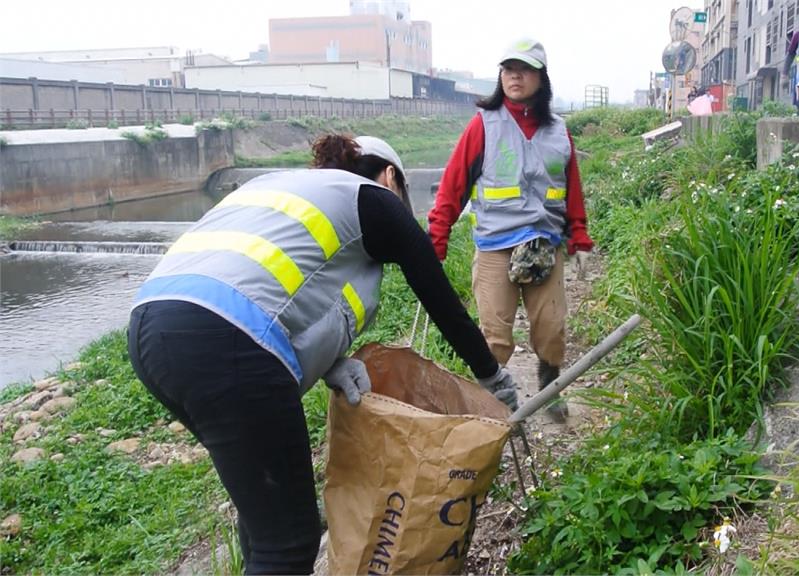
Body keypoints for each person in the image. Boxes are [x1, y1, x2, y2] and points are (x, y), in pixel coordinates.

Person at [127, 134, 519, 574]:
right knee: (290, 543)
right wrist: (492, 378)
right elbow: (440, 300)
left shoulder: (285, 190)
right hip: (225, 341)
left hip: (151, 330)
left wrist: (330, 360)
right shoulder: (374, 199)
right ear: (391, 177)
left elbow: (276, 293)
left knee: (265, 520)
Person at [427, 38, 594, 423]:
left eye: (524, 69)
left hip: (544, 245)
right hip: (495, 246)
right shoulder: (482, 126)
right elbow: (452, 188)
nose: (514, 76)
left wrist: (579, 238)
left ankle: (550, 386)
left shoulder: (558, 133)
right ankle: (493, 407)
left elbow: (571, 191)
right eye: (507, 69)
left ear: (541, 77)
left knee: (552, 328)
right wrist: (436, 242)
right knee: (495, 336)